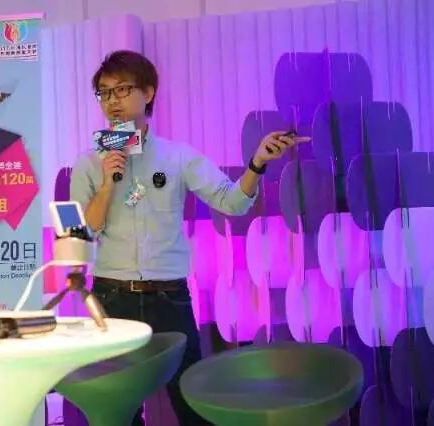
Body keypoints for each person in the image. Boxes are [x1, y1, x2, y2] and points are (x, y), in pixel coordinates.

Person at [70, 50, 309, 426]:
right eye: (104, 93)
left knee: (193, 403)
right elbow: (82, 234)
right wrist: (106, 185)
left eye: (122, 89)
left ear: (149, 92)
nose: (112, 101)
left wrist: (258, 162)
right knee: (118, 410)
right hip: (111, 297)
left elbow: (232, 202)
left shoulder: (177, 157)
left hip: (169, 297)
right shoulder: (88, 163)